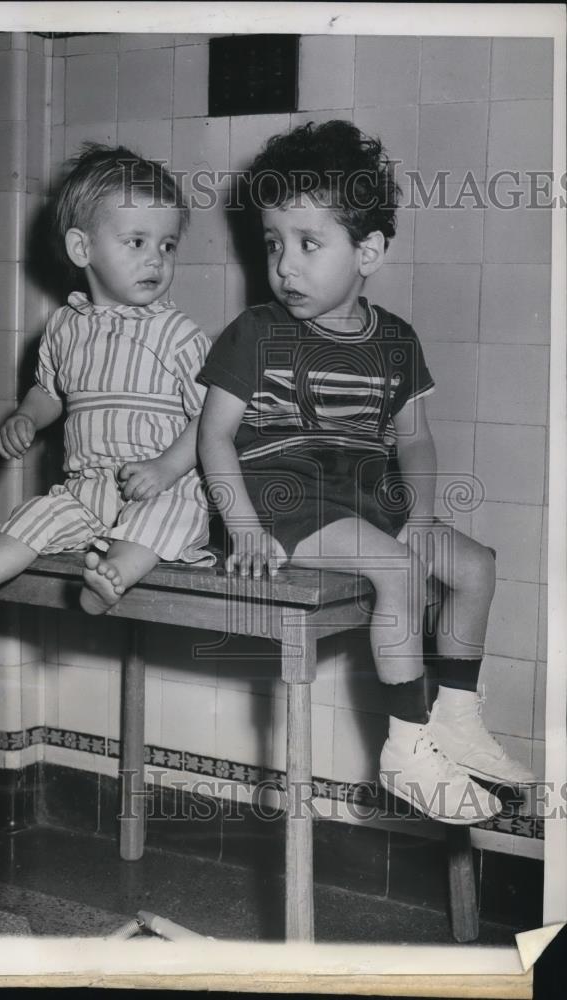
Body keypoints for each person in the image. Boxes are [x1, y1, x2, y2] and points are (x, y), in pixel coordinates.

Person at [198, 120, 536, 825]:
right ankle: (407, 748)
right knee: (400, 573)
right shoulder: (257, 332)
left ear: (369, 251)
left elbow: (414, 441)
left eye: (308, 244)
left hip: (363, 500)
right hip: (281, 499)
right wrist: (244, 528)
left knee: (475, 566)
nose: (285, 265)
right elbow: (215, 438)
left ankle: (455, 717)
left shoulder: (395, 340)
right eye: (273, 245)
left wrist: (416, 515)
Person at [0, 144, 212, 617]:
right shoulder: (64, 326)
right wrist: (26, 416)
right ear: (82, 248)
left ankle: (110, 579)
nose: (156, 259)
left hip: (164, 483)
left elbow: (210, 416)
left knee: (166, 517)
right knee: (37, 514)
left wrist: (166, 468)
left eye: (167, 245)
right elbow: (50, 392)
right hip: (89, 485)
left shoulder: (178, 334)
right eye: (137, 242)